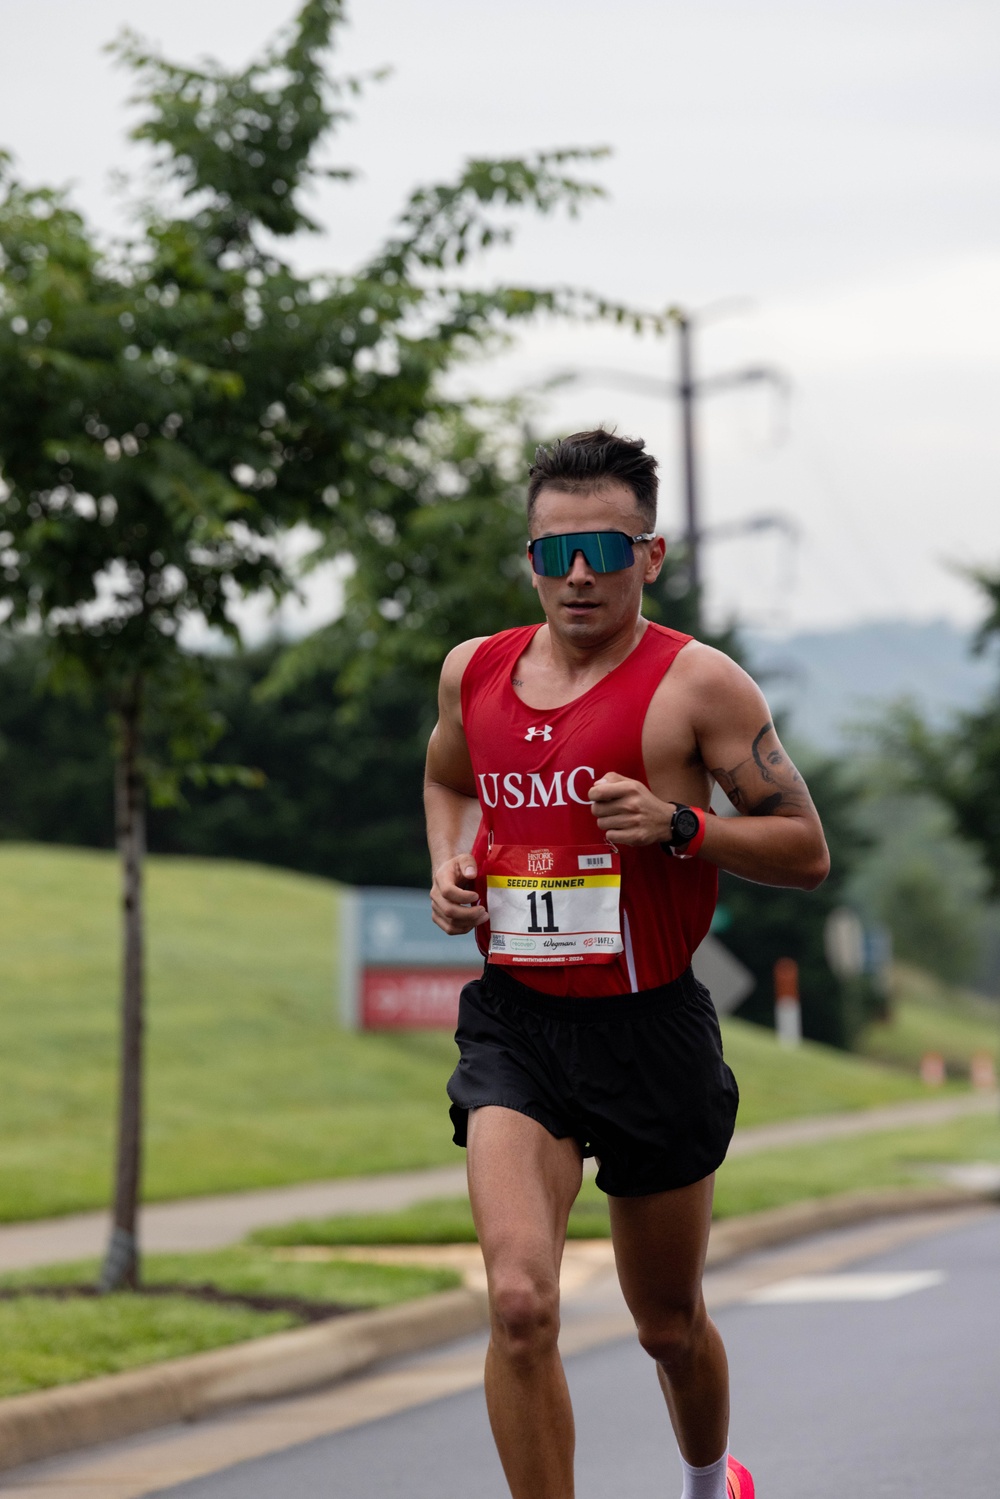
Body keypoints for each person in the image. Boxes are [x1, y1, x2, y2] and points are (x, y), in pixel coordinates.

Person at [424, 429, 829, 1499]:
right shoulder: (475, 669)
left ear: (648, 555)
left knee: (667, 1324)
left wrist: (681, 825)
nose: (578, 573)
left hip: (650, 1027)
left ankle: (708, 1481)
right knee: (519, 1301)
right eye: (554, 550)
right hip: (516, 1023)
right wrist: (448, 864)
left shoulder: (700, 687)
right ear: (530, 558)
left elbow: (805, 847)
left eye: (604, 546)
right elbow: (448, 777)